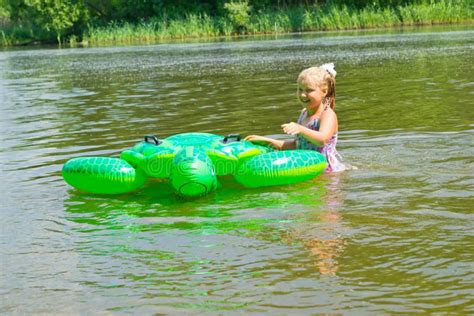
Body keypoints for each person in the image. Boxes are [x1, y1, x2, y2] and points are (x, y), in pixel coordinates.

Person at [245, 63, 346, 172]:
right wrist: (266, 141)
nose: (303, 95)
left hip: (327, 173)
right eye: (300, 89)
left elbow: (322, 140)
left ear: (324, 91)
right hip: (307, 169)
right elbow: (298, 145)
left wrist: (300, 129)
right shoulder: (304, 113)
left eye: (309, 90)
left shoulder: (327, 114)